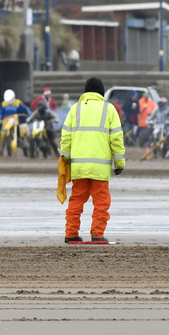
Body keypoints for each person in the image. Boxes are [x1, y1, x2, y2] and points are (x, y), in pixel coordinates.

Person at [60, 77, 125, 243]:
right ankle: (97, 234)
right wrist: (119, 163)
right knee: (101, 202)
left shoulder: (75, 109)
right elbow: (116, 139)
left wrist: (66, 159)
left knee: (76, 200)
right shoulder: (109, 110)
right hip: (100, 168)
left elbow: (66, 136)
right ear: (102, 92)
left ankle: (71, 233)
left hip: (79, 168)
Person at [0, 89, 31, 156]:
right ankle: (1, 150)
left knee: (22, 131)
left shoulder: (17, 103)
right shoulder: (4, 104)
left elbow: (25, 109)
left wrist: (28, 111)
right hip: (6, 121)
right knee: (2, 134)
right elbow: (1, 112)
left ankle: (21, 140)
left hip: (15, 120)